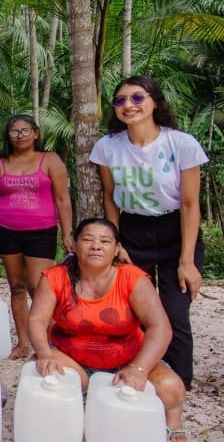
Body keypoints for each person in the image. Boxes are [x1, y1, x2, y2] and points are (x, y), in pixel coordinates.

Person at [90, 75, 207, 391]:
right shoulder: (107, 147)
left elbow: (189, 203)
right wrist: (117, 242)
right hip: (133, 231)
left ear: (155, 101)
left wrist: (187, 260)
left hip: (176, 230)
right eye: (120, 100)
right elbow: (110, 197)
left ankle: (179, 382)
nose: (128, 105)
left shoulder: (181, 144)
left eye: (137, 97)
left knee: (174, 311)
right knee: (136, 310)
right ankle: (141, 371)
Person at [28, 218, 189, 441]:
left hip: (128, 357)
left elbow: (160, 327)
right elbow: (36, 320)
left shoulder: (132, 277)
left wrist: (139, 369)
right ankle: (78, 415)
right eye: (87, 240)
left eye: (105, 241)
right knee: (42, 372)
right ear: (73, 245)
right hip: (71, 356)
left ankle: (173, 422)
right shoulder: (54, 277)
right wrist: (45, 354)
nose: (96, 246)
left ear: (117, 249)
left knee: (171, 387)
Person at [0, 114, 74, 359]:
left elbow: (63, 199)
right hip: (7, 231)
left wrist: (67, 234)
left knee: (39, 287)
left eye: (25, 130)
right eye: (14, 131)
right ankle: (23, 343)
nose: (20, 135)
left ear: (35, 133)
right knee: (17, 287)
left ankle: (46, 343)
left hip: (41, 231)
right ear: (8, 136)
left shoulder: (50, 160)